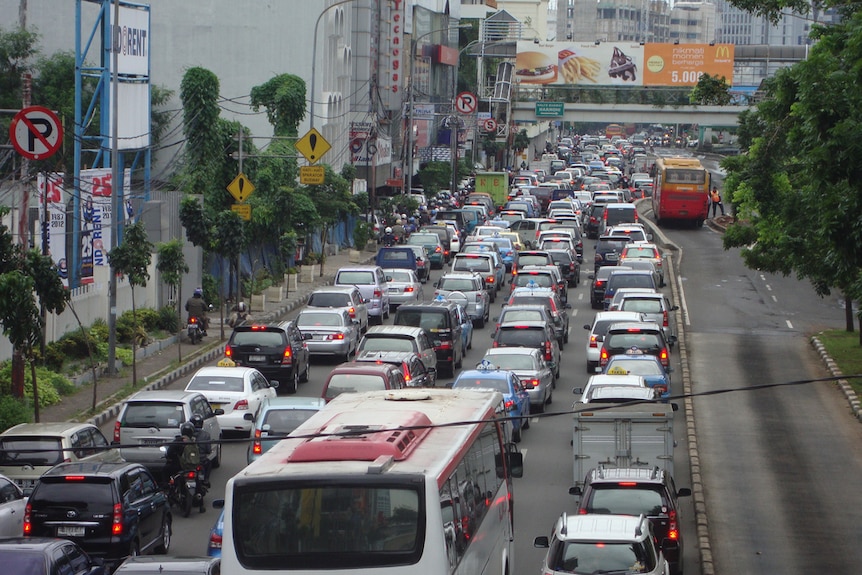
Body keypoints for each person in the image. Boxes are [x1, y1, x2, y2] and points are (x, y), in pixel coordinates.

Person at [190, 415, 212, 487]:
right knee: (208, 463)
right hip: (201, 460)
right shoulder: (206, 435)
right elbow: (208, 450)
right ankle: (206, 480)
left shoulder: (187, 434)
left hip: (188, 460)